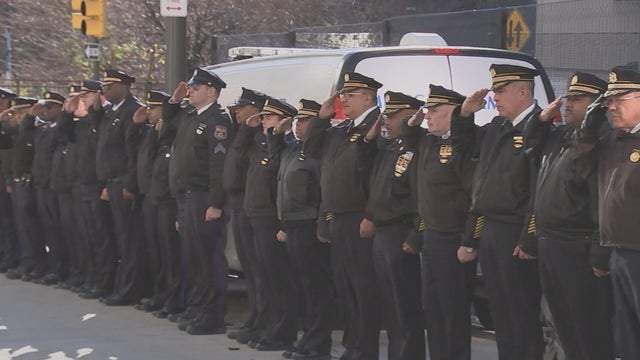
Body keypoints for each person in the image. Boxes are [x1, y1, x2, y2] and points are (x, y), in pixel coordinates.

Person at [451, 64, 543, 359]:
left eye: (501, 91)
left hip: (515, 231)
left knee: (521, 313)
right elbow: (463, 147)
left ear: (523, 91)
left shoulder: (538, 129)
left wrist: (528, 237)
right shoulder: (497, 128)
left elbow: (536, 191)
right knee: (501, 313)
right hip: (491, 229)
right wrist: (465, 114)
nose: (496, 98)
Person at [525, 72, 615, 360]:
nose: (567, 104)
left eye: (578, 100)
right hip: (551, 243)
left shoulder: (600, 143)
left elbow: (602, 200)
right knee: (562, 325)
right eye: (568, 98)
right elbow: (530, 147)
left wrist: (600, 251)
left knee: (585, 328)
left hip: (578, 246)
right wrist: (540, 120)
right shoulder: (564, 135)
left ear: (596, 107)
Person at [305, 72, 382, 360]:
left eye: (351, 94)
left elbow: (377, 177)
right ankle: (352, 346)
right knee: (346, 288)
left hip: (360, 217)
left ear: (368, 96)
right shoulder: (341, 130)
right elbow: (311, 149)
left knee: (363, 288)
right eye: (343, 94)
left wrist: (371, 215)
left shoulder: (377, 127)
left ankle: (365, 349)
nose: (344, 99)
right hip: (339, 217)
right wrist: (321, 119)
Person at [406, 85, 477, 360]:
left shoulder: (463, 146)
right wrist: (412, 123)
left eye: (435, 111)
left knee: (453, 310)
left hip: (454, 237)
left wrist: (469, 240)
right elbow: (409, 137)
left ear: (453, 114)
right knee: (433, 308)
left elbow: (475, 196)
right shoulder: (428, 142)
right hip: (433, 236)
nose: (428, 117)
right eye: (426, 111)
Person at [573, 66, 640, 359]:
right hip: (619, 250)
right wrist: (589, 128)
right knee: (626, 333)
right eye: (608, 101)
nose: (611, 106)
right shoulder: (615, 140)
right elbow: (583, 169)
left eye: (619, 99)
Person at [164, 68, 233, 335]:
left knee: (208, 258)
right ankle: (198, 307)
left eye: (195, 87)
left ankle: (212, 315)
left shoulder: (219, 120)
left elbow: (219, 166)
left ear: (211, 91)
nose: (189, 91)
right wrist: (172, 102)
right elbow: (167, 129)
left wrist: (215, 203)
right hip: (187, 196)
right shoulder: (190, 115)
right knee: (193, 257)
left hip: (204, 197)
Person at [267, 99, 335, 360]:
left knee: (317, 288)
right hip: (293, 225)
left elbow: (322, 193)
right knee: (304, 286)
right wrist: (277, 132)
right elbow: (275, 154)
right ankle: (307, 339)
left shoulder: (318, 153)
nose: (298, 126)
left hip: (310, 225)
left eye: (305, 121)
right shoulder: (293, 149)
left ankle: (319, 345)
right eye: (297, 120)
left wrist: (322, 225)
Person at [365, 91, 425, 360]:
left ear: (411, 116)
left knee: (404, 304)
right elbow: (366, 173)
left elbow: (419, 196)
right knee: (389, 304)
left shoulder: (418, 147)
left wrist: (416, 233)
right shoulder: (391, 147)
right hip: (383, 232)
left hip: (401, 231)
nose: (386, 120)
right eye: (385, 114)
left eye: (392, 115)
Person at [237, 97, 299, 351]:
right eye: (263, 117)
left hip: (271, 219)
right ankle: (269, 326)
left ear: (284, 122)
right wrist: (247, 128)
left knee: (279, 279)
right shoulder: (261, 145)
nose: (264, 122)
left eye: (270, 118)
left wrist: (281, 224)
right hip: (255, 215)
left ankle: (283, 332)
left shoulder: (285, 146)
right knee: (264, 276)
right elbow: (237, 152)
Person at [96, 69, 146, 306]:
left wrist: (129, 184)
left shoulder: (132, 111)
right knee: (119, 238)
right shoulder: (111, 112)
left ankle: (130, 289)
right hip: (112, 183)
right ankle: (121, 285)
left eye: (109, 85)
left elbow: (133, 153)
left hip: (124, 185)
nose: (104, 90)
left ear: (123, 86)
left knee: (129, 240)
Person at [224, 88, 269, 345]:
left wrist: (249, 131)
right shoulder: (244, 135)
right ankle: (255, 317)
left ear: (256, 110)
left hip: (251, 205)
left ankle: (262, 319)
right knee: (250, 269)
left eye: (242, 107)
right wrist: (244, 130)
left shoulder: (258, 138)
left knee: (259, 269)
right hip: (240, 205)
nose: (237, 111)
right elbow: (233, 162)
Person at [130, 90, 172, 313]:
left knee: (169, 253)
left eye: (153, 108)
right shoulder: (149, 132)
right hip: (150, 196)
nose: (149, 112)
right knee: (155, 250)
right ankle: (159, 294)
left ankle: (171, 297)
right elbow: (134, 152)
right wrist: (135, 126)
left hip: (165, 199)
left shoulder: (168, 132)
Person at [1, 97, 47, 282]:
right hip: (18, 182)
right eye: (15, 113)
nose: (17, 116)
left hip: (31, 183)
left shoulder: (36, 129)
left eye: (22, 112)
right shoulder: (16, 131)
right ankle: (27, 264)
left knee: (32, 228)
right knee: (23, 227)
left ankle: (36, 265)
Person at [0, 87, 19, 275]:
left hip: (7, 176)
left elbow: (10, 154)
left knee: (8, 219)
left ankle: (11, 257)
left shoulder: (9, 124)